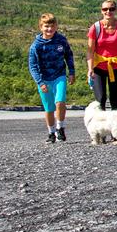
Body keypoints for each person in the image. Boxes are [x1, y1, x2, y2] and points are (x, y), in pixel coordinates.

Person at [28, 13, 75, 143]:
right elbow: (32, 66)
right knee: (49, 109)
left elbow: (68, 56)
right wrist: (40, 82)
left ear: (56, 26)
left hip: (59, 76)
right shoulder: (36, 46)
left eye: (52, 26)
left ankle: (60, 128)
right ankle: (51, 132)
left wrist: (71, 72)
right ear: (41, 27)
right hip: (44, 79)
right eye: (46, 26)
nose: (49, 29)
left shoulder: (61, 40)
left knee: (60, 102)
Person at [86, 0, 117, 110]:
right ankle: (100, 126)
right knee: (100, 99)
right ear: (101, 11)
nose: (108, 11)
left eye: (111, 9)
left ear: (115, 10)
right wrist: (90, 69)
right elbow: (90, 51)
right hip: (98, 67)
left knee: (115, 100)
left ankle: (115, 126)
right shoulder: (95, 28)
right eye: (105, 9)